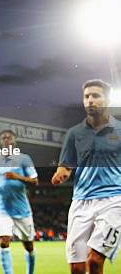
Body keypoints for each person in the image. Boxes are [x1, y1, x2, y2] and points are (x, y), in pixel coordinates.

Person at [52, 79, 121, 274]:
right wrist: (60, 175)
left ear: (107, 100)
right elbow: (65, 167)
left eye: (95, 96)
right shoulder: (74, 133)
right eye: (86, 96)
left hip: (114, 201)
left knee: (95, 261)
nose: (90, 100)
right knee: (77, 267)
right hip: (81, 202)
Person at [0, 130, 38, 274]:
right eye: (3, 138)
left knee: (28, 245)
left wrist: (17, 177)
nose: (6, 140)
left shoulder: (24, 159)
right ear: (0, 142)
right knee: (3, 241)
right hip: (2, 208)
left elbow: (35, 181)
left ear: (14, 141)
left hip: (21, 209)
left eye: (9, 138)